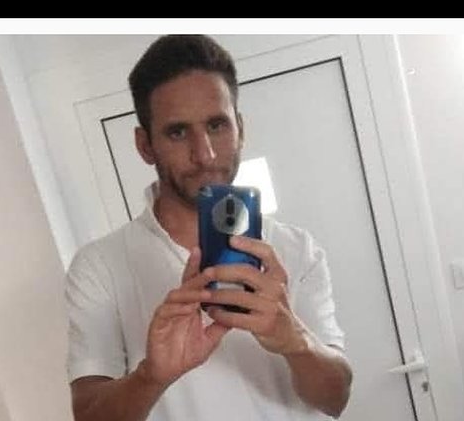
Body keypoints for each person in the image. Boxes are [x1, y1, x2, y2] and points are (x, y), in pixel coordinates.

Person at [66, 35, 352, 421]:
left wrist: (294, 341)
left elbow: (336, 399)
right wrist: (151, 376)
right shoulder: (99, 266)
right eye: (178, 132)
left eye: (217, 125)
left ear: (240, 128)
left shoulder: (297, 249)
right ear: (145, 145)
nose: (205, 154)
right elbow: (88, 416)